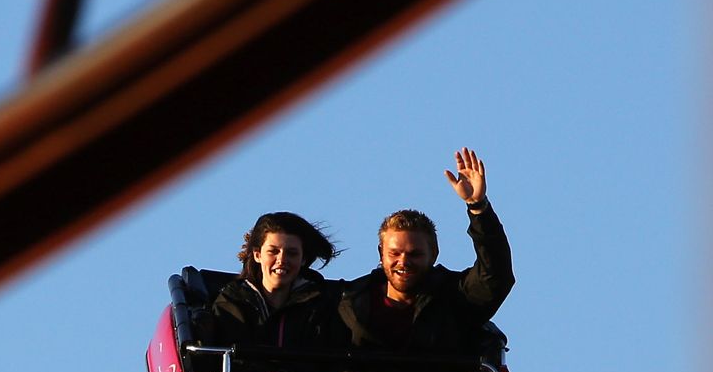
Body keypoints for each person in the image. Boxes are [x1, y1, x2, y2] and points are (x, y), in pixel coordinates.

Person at [335, 147, 513, 356]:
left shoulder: (456, 299)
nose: (404, 261)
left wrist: (478, 207)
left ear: (434, 254)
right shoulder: (349, 301)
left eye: (414, 254)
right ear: (381, 254)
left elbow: (495, 275)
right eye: (395, 253)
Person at [207, 211, 341, 348]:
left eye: (292, 253)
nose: (282, 260)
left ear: (303, 259)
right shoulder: (231, 303)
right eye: (273, 251)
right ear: (257, 255)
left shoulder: (321, 307)